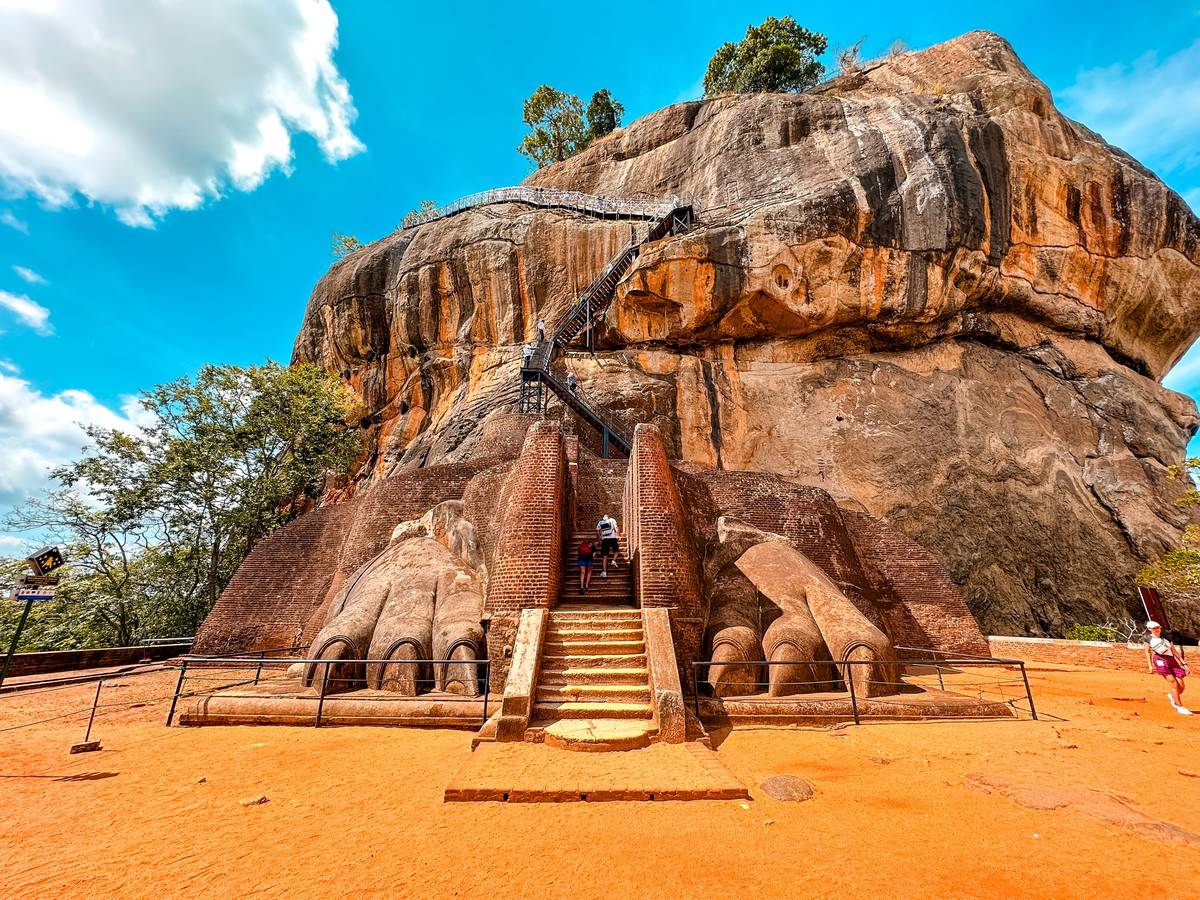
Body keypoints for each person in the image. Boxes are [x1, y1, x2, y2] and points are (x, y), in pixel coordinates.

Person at [1146, 621, 1191, 714]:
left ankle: (1172, 695)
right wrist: (1150, 665)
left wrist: (1184, 664)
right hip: (1160, 660)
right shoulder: (1148, 639)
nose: (1157, 629)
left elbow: (1174, 651)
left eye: (1158, 627)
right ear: (1150, 629)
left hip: (1171, 660)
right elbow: (1147, 652)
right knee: (1173, 683)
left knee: (1181, 686)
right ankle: (1180, 707)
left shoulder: (1166, 638)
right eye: (1154, 628)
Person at [596, 513, 620, 577]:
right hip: (613, 538)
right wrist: (618, 535)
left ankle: (604, 572)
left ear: (603, 518)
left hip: (605, 539)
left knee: (604, 556)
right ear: (608, 517)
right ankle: (613, 560)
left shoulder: (600, 522)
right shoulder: (612, 520)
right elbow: (616, 527)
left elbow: (597, 532)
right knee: (616, 551)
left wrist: (599, 540)